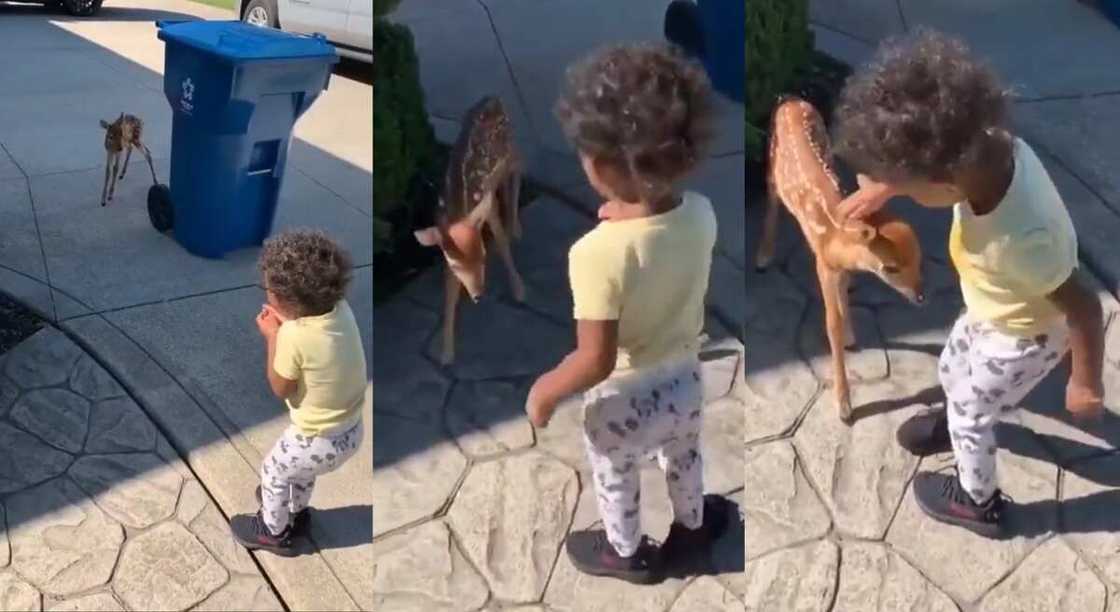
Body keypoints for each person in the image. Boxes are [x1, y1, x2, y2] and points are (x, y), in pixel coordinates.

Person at [832, 29, 1105, 537]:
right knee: (952, 365)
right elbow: (943, 155)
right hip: (991, 306)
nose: (903, 198)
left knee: (973, 413)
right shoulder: (991, 148)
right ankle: (956, 417)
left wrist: (1085, 381)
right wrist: (893, 181)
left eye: (908, 191)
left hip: (1026, 334)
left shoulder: (1024, 238)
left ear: (942, 183)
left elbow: (1086, 306)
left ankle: (978, 501)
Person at [526, 43, 729, 583]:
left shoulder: (596, 254)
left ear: (602, 165)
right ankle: (693, 525)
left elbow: (594, 360)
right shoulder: (703, 215)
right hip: (685, 379)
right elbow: (660, 244)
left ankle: (626, 552)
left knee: (616, 472)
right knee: (685, 458)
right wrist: (630, 208)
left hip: (625, 399)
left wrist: (545, 391)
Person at [231, 229, 367, 555]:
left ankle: (272, 532)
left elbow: (280, 387)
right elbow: (313, 337)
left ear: (283, 298)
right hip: (349, 431)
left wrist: (273, 336)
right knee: (301, 470)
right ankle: (296, 512)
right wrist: (288, 324)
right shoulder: (339, 310)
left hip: (316, 438)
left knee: (274, 471)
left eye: (268, 289)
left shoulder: (292, 335)